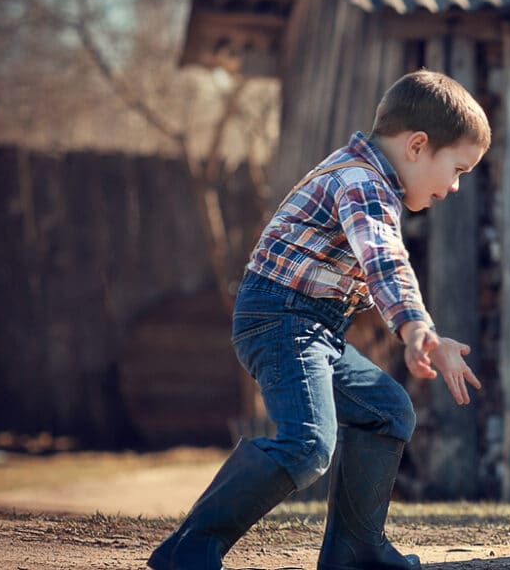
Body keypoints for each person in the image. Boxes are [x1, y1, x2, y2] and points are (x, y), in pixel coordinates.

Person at [148, 69, 491, 570]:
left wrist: (426, 332)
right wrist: (415, 325)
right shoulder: (364, 183)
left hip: (310, 324)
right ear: (417, 146)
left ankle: (353, 549)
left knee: (388, 411)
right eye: (458, 169)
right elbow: (384, 258)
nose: (457, 186)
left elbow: (351, 270)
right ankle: (190, 549)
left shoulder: (362, 174)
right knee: (308, 442)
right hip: (282, 318)